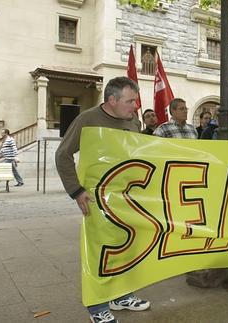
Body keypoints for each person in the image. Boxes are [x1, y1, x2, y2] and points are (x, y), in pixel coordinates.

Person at [55, 76, 150, 323]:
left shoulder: (133, 122)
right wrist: (76, 190)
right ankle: (97, 309)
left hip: (127, 200)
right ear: (112, 100)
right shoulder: (86, 120)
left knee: (127, 249)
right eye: (130, 101)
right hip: (96, 201)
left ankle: (121, 296)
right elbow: (62, 155)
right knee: (100, 253)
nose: (134, 106)